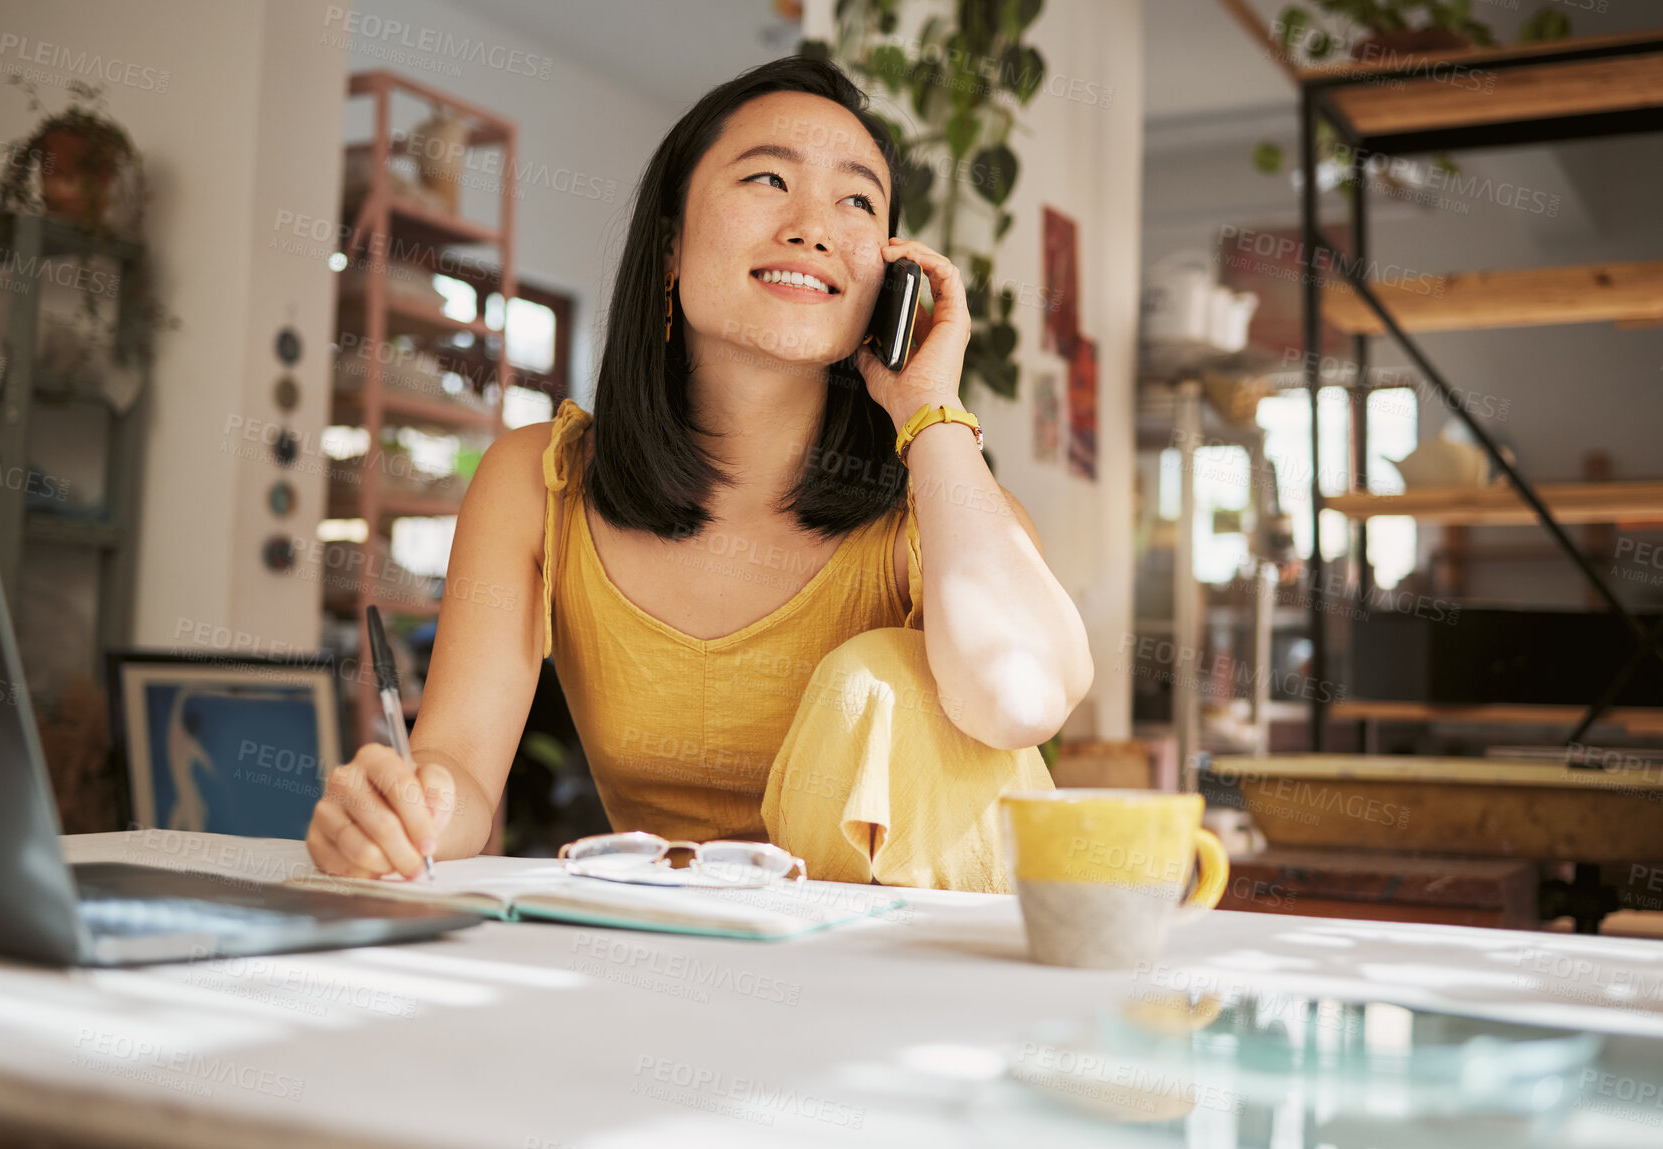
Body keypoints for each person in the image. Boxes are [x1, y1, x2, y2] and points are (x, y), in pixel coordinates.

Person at [306, 55, 1093, 892]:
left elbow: (1023, 701)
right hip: (681, 958)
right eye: (767, 179)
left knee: (877, 677)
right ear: (671, 243)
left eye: (856, 200)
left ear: (888, 280)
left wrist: (927, 405)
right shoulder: (538, 482)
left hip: (922, 984)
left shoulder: (935, 511)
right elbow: (458, 766)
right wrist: (406, 810)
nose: (812, 225)